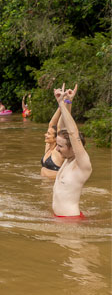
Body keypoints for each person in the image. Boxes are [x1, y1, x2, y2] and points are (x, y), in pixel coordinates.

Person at [51, 84, 91, 218]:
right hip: (59, 218)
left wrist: (61, 104)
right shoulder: (68, 160)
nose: (56, 149)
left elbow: (73, 133)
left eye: (60, 146)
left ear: (73, 147)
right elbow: (63, 128)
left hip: (71, 222)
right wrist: (67, 102)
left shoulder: (81, 164)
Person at [40, 105, 64, 178]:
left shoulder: (58, 150)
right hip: (44, 185)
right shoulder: (48, 148)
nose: (45, 135)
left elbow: (59, 127)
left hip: (54, 186)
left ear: (56, 138)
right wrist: (60, 106)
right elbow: (51, 125)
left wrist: (65, 105)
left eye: (48, 134)